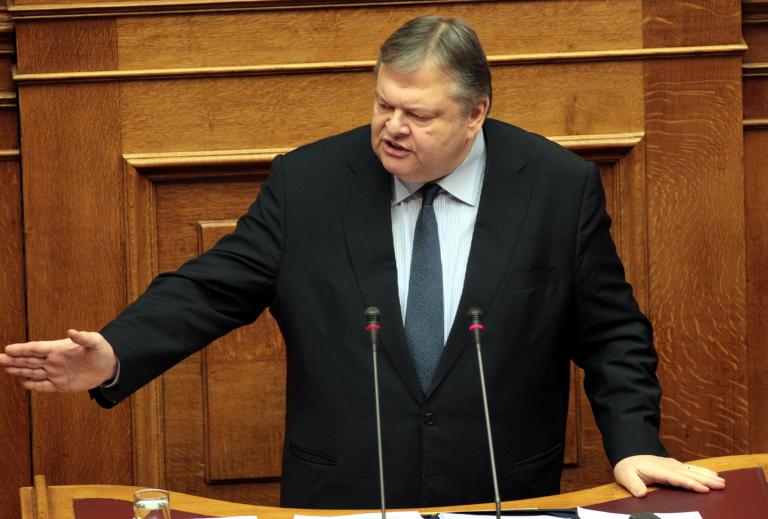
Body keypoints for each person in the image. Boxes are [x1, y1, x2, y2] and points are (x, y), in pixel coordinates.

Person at [1, 15, 724, 509]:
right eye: (383, 104)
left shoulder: (557, 188)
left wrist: (633, 443)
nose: (392, 127)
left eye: (419, 114)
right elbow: (212, 288)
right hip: (341, 496)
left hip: (502, 495)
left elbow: (611, 332)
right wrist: (116, 353)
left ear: (476, 113)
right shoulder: (311, 182)